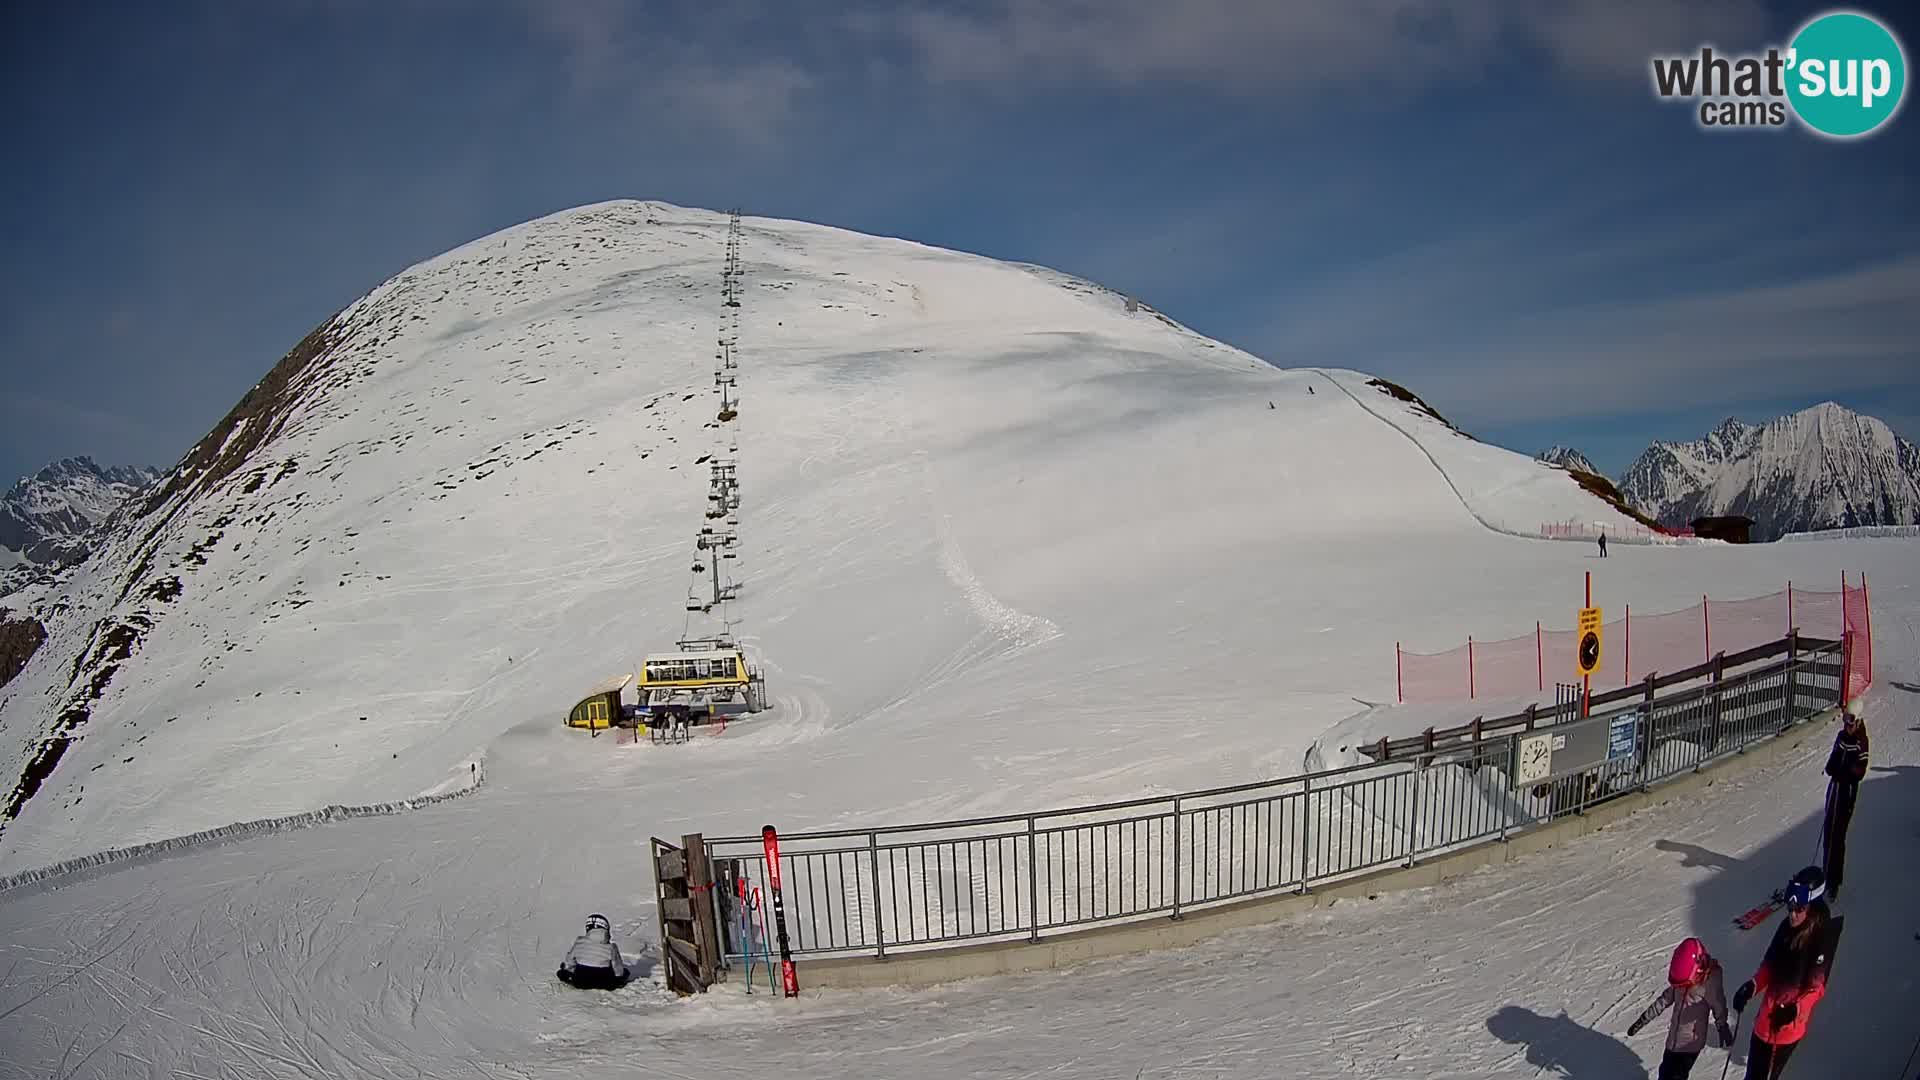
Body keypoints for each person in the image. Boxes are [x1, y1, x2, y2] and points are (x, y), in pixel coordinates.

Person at [1732, 868, 1833, 1078]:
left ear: (1811, 907)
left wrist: (1793, 1010)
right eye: (1790, 907)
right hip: (1764, 1022)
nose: (1792, 914)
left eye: (1799, 908)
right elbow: (1769, 966)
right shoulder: (1785, 928)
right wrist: (1751, 987)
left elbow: (1817, 988)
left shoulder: (1820, 938)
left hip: (1786, 1030)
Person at [1627, 937, 1733, 1079]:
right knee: (1665, 1072)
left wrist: (1722, 1025)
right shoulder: (1680, 983)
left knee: (1677, 1076)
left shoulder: (1709, 984)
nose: (1679, 987)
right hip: (1673, 1041)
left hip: (1690, 1044)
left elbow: (1718, 1005)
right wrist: (1644, 1018)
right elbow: (1664, 1000)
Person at [1821, 703, 1869, 900]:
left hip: (1846, 791)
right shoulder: (1842, 737)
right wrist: (1832, 768)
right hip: (1835, 787)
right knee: (1828, 830)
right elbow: (1833, 758)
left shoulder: (1861, 741)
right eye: (1844, 720)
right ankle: (1825, 873)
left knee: (1838, 834)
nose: (1846, 725)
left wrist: (1847, 773)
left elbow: (1860, 769)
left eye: (1850, 721)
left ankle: (1834, 881)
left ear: (1857, 721)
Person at [557, 913, 631, 990]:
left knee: (562, 972)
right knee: (625, 972)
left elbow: (570, 961)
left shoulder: (579, 942)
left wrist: (569, 972)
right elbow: (617, 967)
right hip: (605, 983)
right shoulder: (611, 947)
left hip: (580, 981)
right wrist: (620, 977)